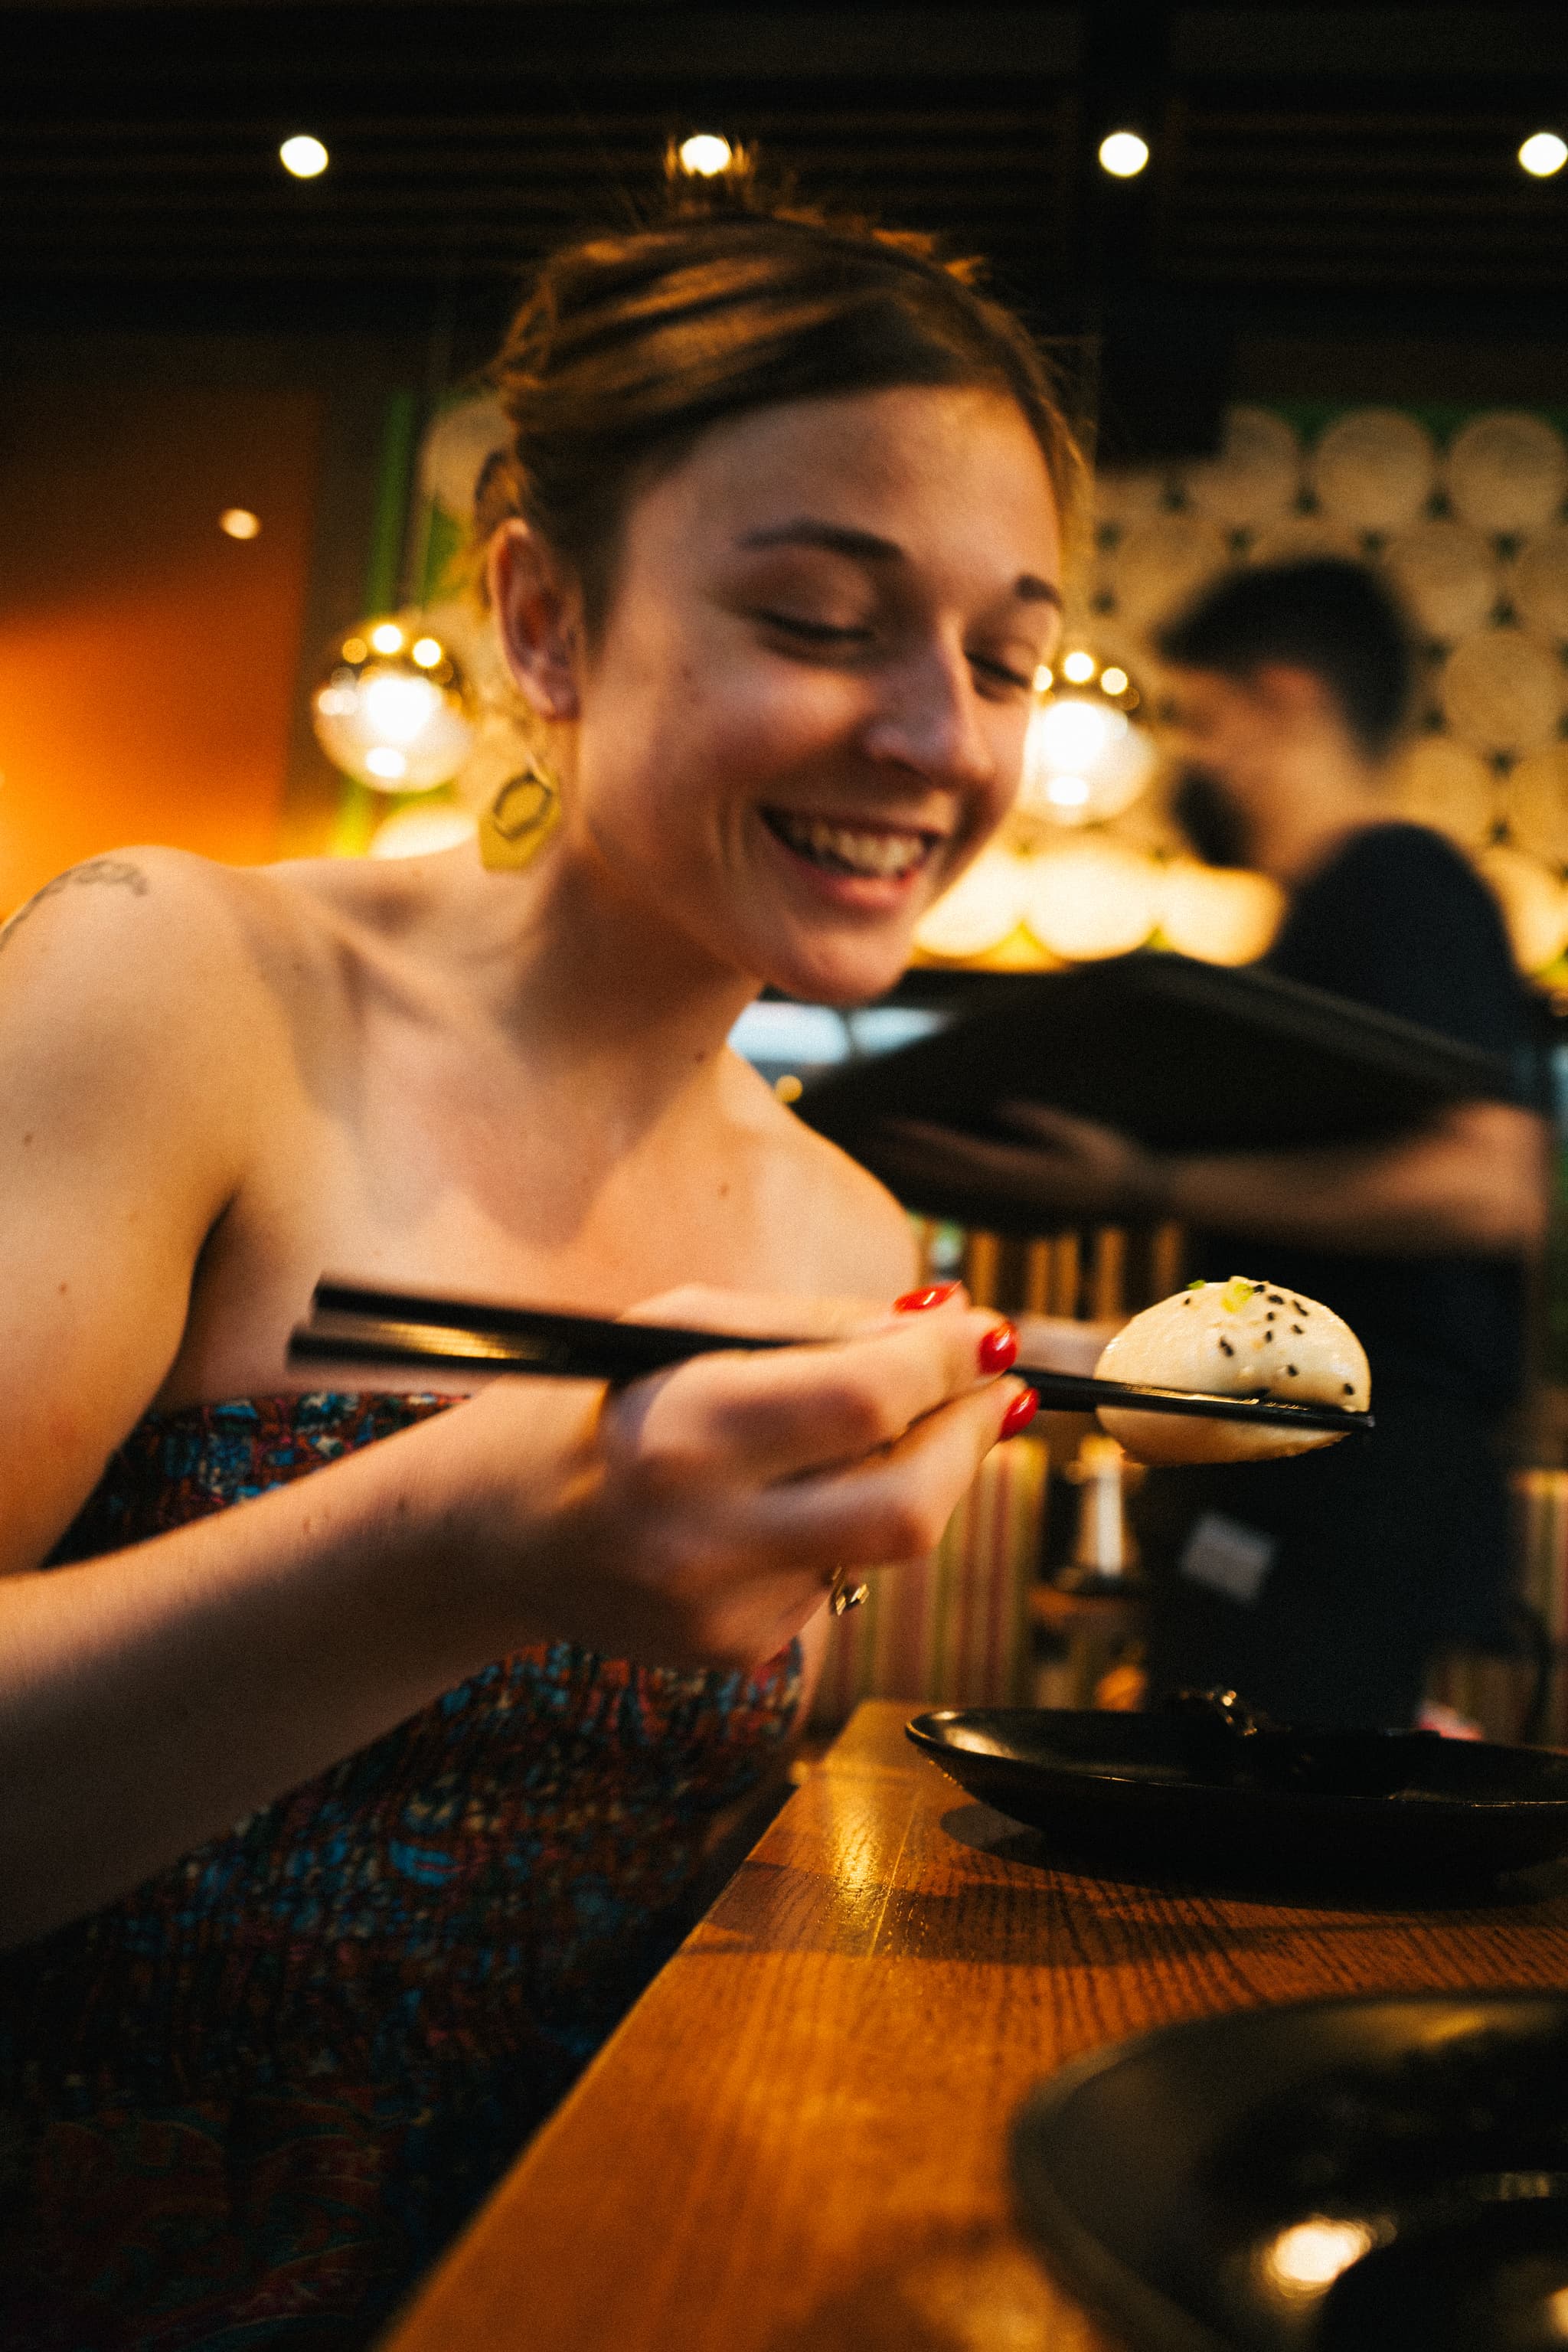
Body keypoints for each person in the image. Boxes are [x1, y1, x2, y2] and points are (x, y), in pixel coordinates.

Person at [0, 185, 1087, 2345]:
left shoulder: (845, 1233)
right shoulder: (181, 983)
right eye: (820, 616)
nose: (940, 739)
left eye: (1003, 658)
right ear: (547, 619)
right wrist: (452, 1542)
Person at [875, 558, 1550, 1731]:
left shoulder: (1397, 883)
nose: (1194, 761)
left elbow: (1491, 1186)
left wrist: (1143, 1179)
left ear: (1282, 701)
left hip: (1346, 1489)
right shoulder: (1336, 912)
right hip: (1308, 1483)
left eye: (1200, 720)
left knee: (1273, 1838)